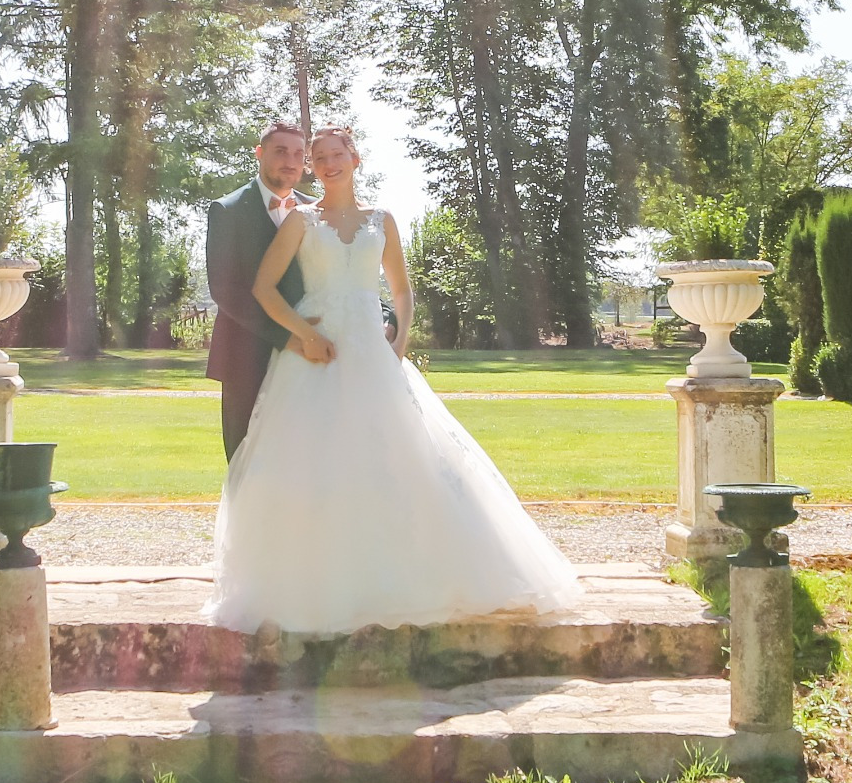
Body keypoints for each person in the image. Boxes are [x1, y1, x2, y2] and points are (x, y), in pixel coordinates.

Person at [205, 126, 587, 634]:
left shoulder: (379, 219)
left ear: (355, 158)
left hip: (370, 351)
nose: (325, 163)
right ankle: (305, 581)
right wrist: (300, 334)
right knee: (300, 462)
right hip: (303, 351)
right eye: (316, 157)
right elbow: (253, 288)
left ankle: (409, 574)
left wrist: (399, 339)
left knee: (397, 456)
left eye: (333, 154)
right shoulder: (294, 218)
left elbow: (399, 291)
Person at [203, 123, 311, 459]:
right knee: (245, 458)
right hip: (245, 356)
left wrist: (386, 316)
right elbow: (224, 289)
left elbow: (340, 273)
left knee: (305, 457)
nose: (290, 161)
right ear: (260, 153)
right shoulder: (228, 210)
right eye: (281, 152)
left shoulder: (317, 212)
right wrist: (286, 335)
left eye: (298, 154)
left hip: (309, 357)